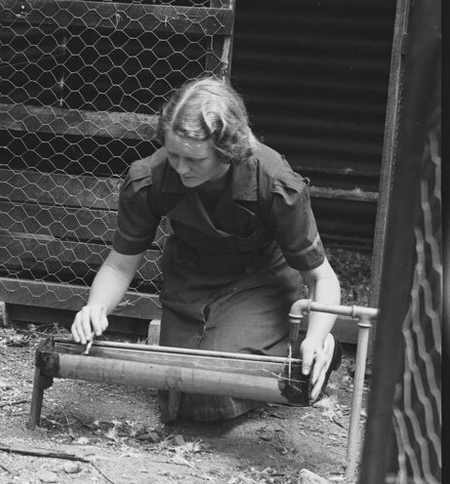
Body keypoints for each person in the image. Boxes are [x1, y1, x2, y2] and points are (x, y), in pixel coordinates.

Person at [71, 76, 343, 421]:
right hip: (191, 284)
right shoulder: (150, 178)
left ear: (226, 152)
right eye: (173, 154)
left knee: (213, 388)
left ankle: (303, 344)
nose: (180, 167)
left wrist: (318, 337)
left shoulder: (274, 182)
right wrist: (95, 308)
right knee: (179, 393)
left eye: (194, 160)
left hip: (258, 286)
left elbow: (322, 278)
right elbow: (119, 265)